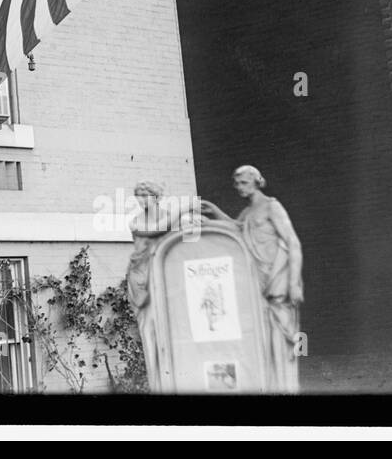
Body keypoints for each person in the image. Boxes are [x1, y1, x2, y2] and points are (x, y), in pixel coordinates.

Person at [201, 165, 303, 393]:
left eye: (243, 183)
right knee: (264, 337)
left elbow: (293, 242)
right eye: (236, 183)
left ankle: (287, 389)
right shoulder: (248, 213)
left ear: (257, 182)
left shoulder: (271, 206)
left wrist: (294, 283)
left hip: (277, 279)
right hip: (257, 280)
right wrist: (214, 213)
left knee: (284, 340)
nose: (239, 187)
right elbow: (236, 228)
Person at [126, 180, 195, 391]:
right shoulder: (136, 221)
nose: (141, 200)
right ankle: (157, 384)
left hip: (166, 276)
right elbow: (155, 230)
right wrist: (183, 210)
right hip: (141, 276)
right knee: (149, 329)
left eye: (146, 195)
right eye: (139, 196)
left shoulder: (170, 217)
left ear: (156, 197)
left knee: (173, 327)